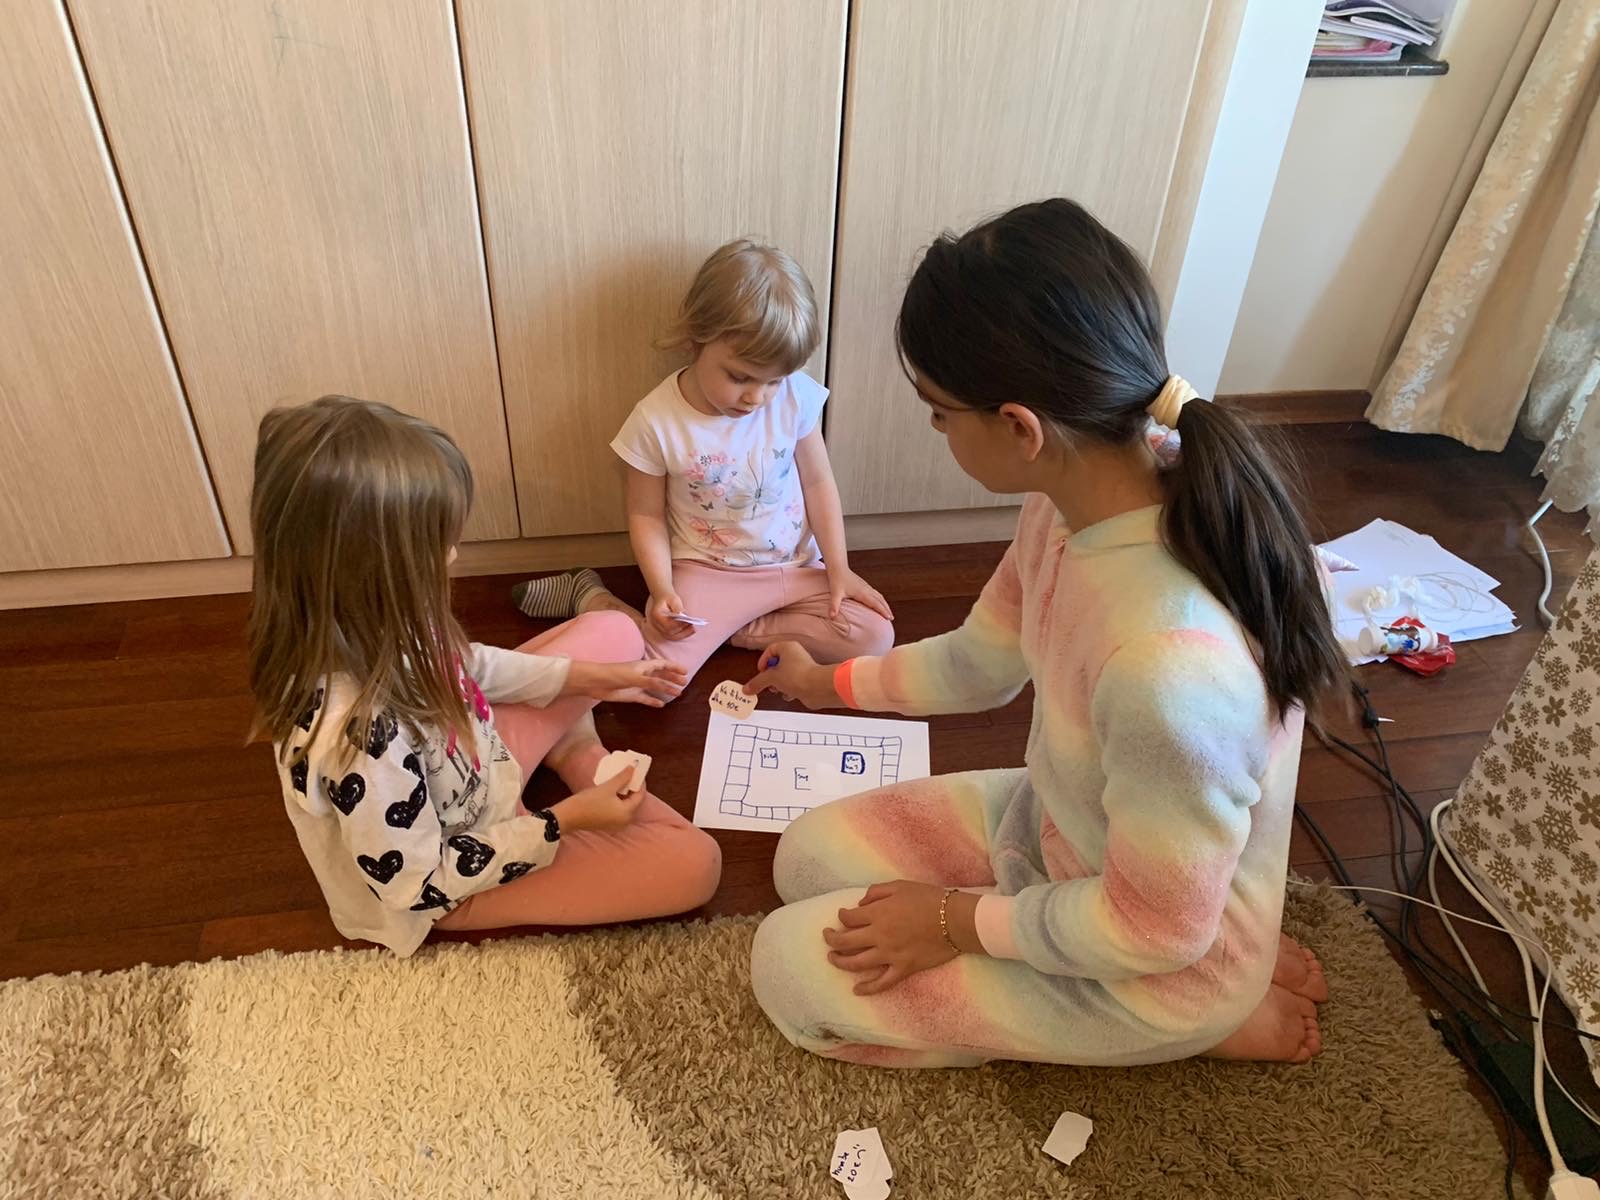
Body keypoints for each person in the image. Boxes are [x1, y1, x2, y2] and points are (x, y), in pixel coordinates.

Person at [745, 199, 1344, 1068]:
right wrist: (824, 685)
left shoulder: (1168, 671)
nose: (936, 429)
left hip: (1155, 960)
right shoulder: (1071, 506)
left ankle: (1217, 1012)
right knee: (803, 862)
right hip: (1067, 832)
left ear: (1020, 427)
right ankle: (1215, 958)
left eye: (939, 413)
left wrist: (951, 920)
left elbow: (1154, 932)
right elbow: (977, 665)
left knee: (786, 969)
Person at [248, 396, 721, 956]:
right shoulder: (358, 738)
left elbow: (466, 666)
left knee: (615, 632)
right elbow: (417, 885)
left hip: (483, 770)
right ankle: (575, 752)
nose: (451, 555)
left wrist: (595, 677)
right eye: (435, 544)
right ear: (370, 568)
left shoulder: (371, 618)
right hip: (457, 885)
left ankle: (570, 745)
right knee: (696, 864)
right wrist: (564, 821)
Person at [510, 239, 894, 688]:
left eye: (773, 381)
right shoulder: (656, 420)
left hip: (795, 567)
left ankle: (726, 630)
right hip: (710, 574)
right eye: (740, 376)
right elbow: (645, 515)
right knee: (656, 681)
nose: (756, 397)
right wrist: (661, 589)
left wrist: (839, 568)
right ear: (697, 339)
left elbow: (818, 482)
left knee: (873, 635)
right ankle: (593, 597)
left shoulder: (794, 396)